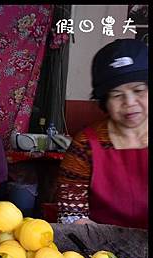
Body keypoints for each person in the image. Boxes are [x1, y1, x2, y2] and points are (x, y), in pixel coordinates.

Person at [56, 38, 148, 229]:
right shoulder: (85, 145)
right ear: (104, 101)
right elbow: (72, 215)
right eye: (116, 94)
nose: (129, 102)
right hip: (100, 251)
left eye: (138, 90)